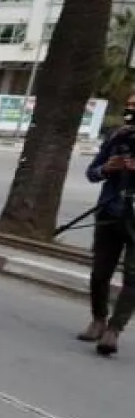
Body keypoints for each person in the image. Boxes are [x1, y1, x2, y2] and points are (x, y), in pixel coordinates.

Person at [82, 99, 135, 356]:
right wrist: (107, 168)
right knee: (100, 272)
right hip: (110, 213)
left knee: (133, 278)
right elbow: (91, 173)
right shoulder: (117, 138)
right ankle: (98, 319)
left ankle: (114, 330)